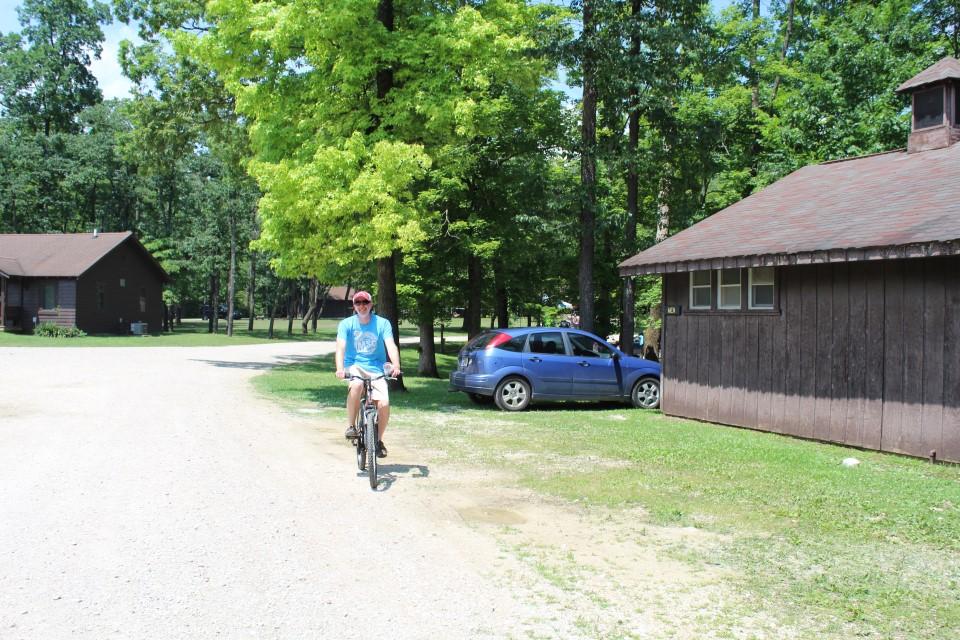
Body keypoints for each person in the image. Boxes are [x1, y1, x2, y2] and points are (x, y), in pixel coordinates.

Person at [335, 290, 401, 458]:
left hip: (377, 368)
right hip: (354, 365)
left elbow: (391, 345)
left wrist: (396, 365)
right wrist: (340, 369)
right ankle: (351, 426)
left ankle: (378, 441)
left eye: (365, 302)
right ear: (354, 306)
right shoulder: (346, 324)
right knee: (356, 385)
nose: (362, 306)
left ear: (371, 304)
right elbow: (340, 347)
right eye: (358, 303)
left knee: (384, 403)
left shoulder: (382, 323)